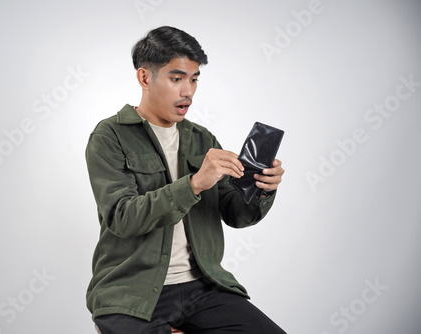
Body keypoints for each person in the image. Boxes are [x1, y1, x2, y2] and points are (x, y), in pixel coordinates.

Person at [85, 26, 286, 334]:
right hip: (131, 294)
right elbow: (122, 218)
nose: (188, 91)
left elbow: (236, 215)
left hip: (203, 288)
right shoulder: (109, 136)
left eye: (193, 79)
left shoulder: (202, 139)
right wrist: (193, 184)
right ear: (144, 78)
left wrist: (261, 188)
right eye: (176, 78)